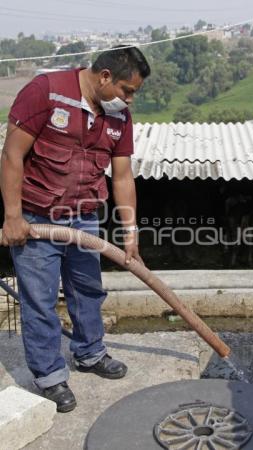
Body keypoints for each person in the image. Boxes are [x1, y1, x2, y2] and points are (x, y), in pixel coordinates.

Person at [0, 46, 151, 412]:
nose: (129, 100)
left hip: (84, 216)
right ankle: (50, 375)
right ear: (104, 77)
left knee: (88, 290)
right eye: (126, 91)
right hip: (38, 219)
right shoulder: (46, 92)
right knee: (40, 300)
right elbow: (11, 155)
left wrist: (130, 232)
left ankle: (89, 353)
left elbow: (123, 175)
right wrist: (13, 216)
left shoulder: (118, 118)